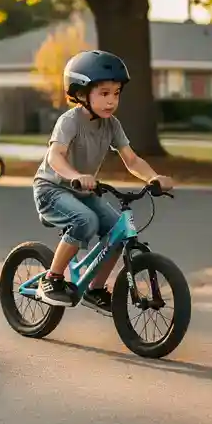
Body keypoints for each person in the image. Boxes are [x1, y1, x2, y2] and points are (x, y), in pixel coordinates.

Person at [33, 50, 175, 311]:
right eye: (104, 93)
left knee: (117, 233)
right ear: (81, 93)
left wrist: (153, 177)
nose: (112, 101)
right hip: (52, 189)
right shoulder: (70, 121)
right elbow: (55, 157)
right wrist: (76, 176)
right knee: (85, 220)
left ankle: (95, 289)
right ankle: (52, 278)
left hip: (83, 190)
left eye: (116, 93)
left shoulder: (112, 125)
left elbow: (131, 160)